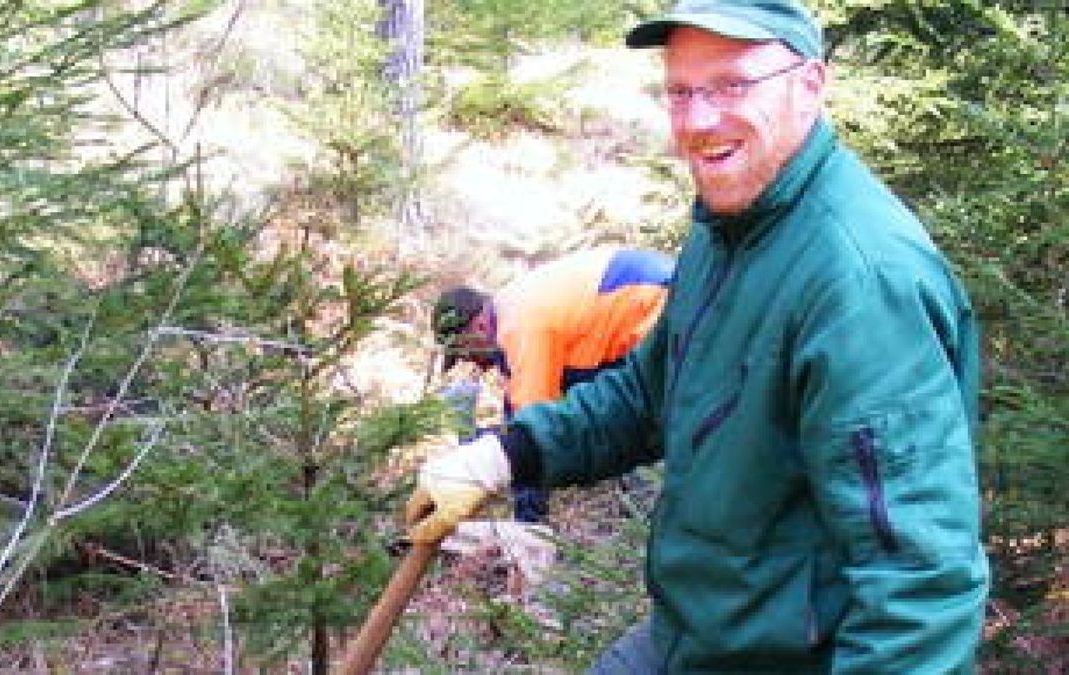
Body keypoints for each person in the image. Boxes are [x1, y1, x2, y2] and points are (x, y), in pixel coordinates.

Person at [406, 1, 989, 672]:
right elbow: (648, 392)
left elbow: (919, 583)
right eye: (680, 91)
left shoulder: (859, 280)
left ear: (809, 84)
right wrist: (504, 455)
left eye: (733, 84)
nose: (699, 119)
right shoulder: (729, 226)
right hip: (700, 631)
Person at [431, 246, 676, 522]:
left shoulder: (520, 328)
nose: (473, 362)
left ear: (478, 327)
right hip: (651, 305)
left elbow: (533, 429)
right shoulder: (514, 309)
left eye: (466, 352)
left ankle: (648, 514)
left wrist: (527, 520)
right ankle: (642, 509)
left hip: (656, 307)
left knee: (639, 413)